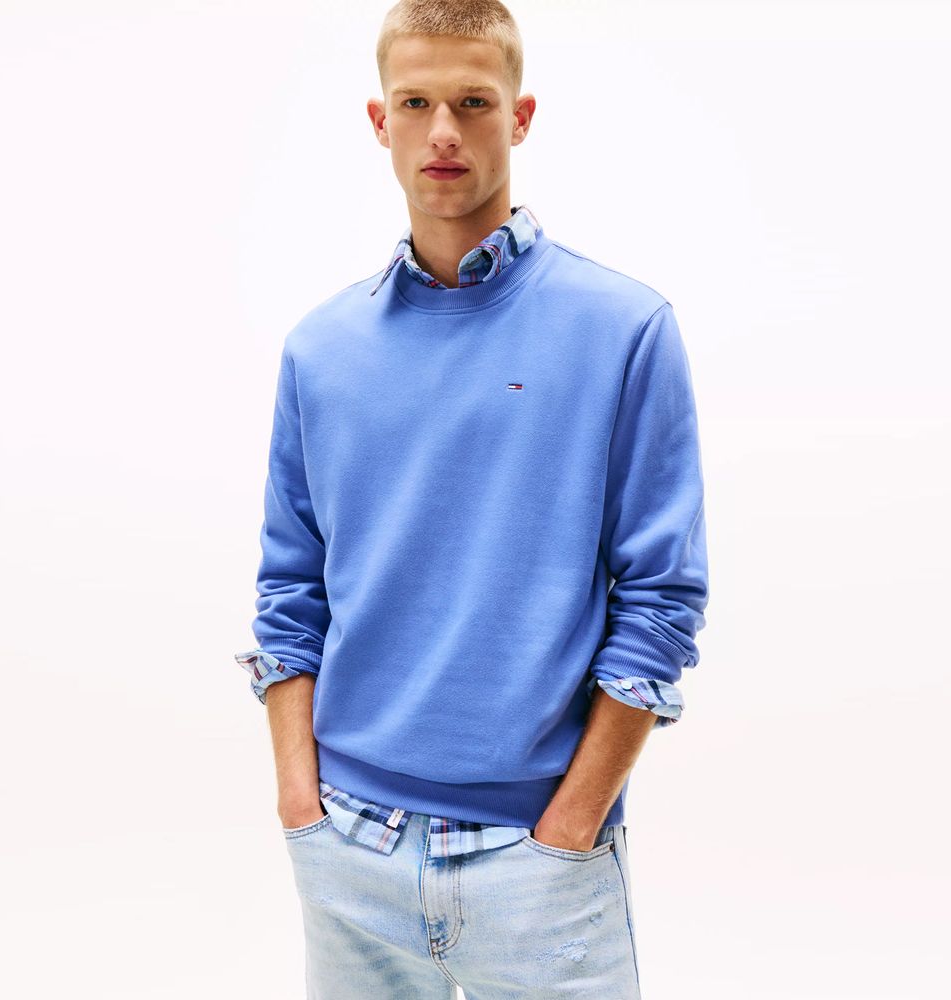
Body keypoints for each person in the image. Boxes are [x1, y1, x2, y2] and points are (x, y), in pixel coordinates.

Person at [234, 1, 708, 996]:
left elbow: (661, 600)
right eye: (416, 103)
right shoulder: (321, 349)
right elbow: (290, 590)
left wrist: (570, 823)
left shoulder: (624, 329)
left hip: (538, 866)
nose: (442, 130)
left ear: (519, 117)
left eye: (472, 103)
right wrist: (298, 805)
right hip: (348, 847)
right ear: (380, 122)